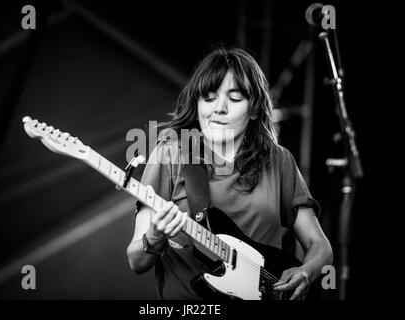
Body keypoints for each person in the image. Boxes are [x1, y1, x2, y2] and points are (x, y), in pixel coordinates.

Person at [126, 47, 333, 300]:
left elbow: (320, 246)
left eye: (234, 99)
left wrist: (306, 271)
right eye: (209, 98)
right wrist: (154, 237)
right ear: (197, 104)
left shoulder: (279, 160)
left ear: (255, 109)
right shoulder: (170, 153)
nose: (219, 109)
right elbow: (136, 262)